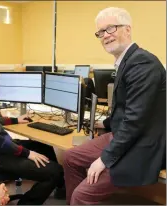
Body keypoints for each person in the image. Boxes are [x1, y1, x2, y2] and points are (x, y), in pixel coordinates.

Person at [63, 7, 166, 205]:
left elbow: (135, 121)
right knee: (69, 157)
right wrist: (105, 123)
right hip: (123, 136)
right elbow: (127, 110)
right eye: (101, 32)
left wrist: (103, 160)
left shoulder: (142, 63)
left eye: (110, 29)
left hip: (140, 145)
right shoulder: (126, 61)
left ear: (127, 29)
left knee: (81, 195)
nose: (105, 36)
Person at [0, 62, 65, 205]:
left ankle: (58, 186)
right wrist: (27, 153)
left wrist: (15, 119)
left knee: (44, 147)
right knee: (55, 171)